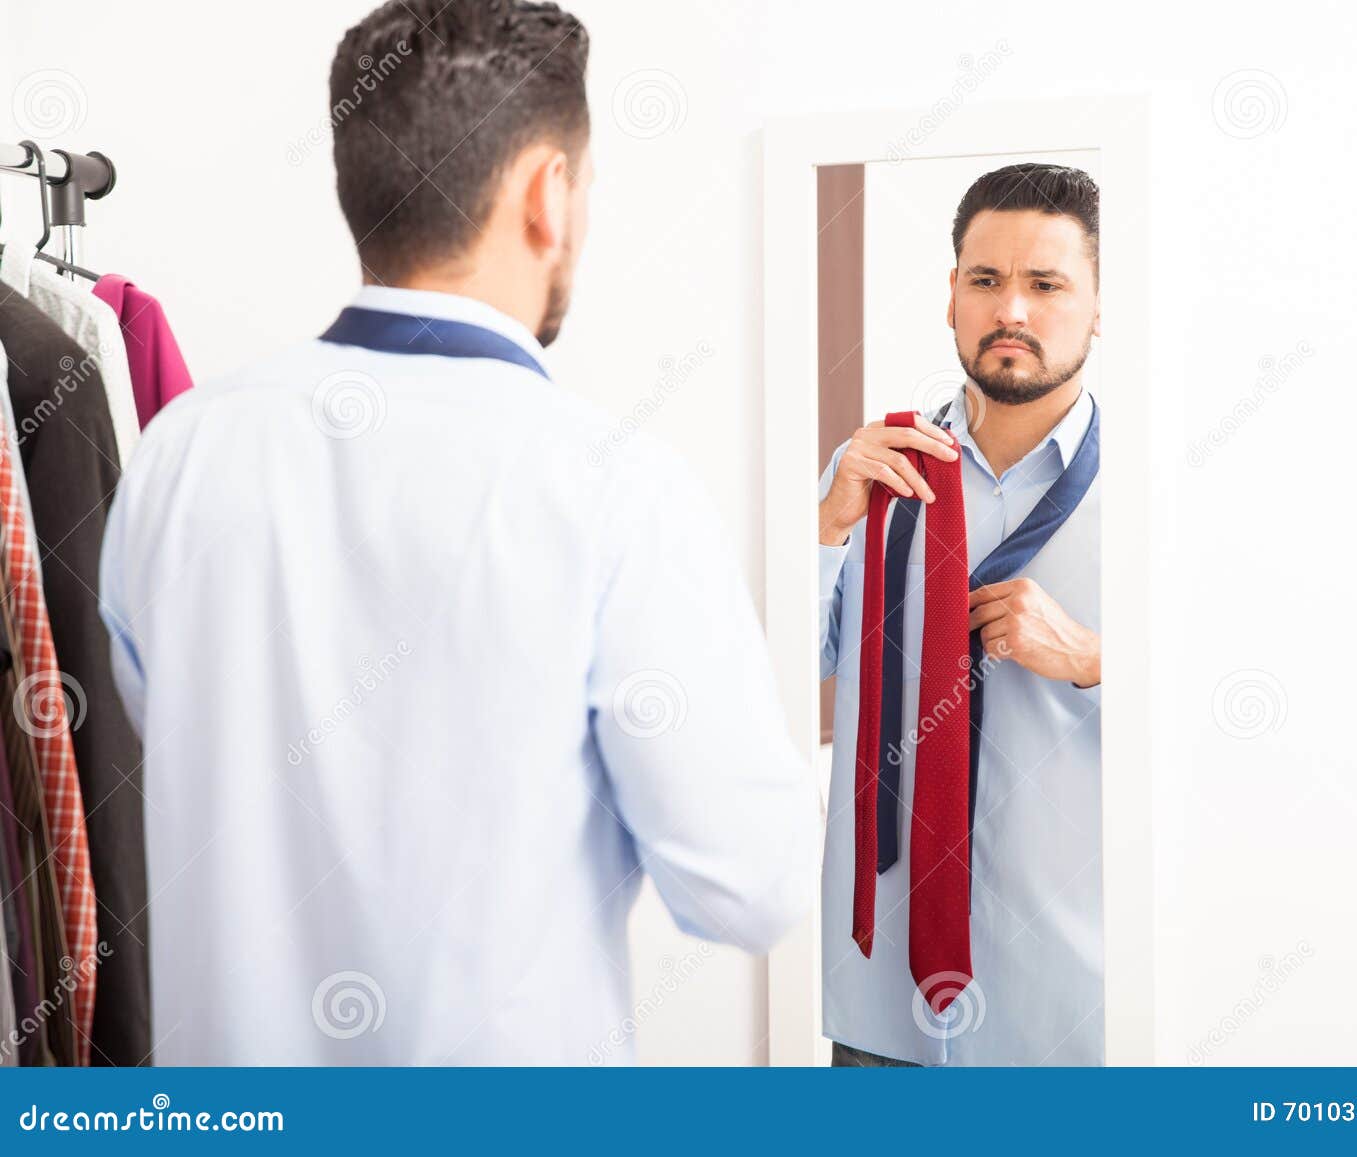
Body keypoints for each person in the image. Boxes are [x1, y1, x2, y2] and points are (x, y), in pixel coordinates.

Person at [98, 0, 819, 1064]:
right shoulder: (614, 486)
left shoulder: (179, 452)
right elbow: (749, 888)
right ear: (550, 194)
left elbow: (190, 744)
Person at [817, 163, 1103, 1066]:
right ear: (951, 297)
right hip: (880, 1006)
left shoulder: (1156, 504)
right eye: (986, 280)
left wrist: (1095, 658)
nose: (1010, 309)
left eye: (1046, 284)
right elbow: (774, 670)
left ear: (1098, 305)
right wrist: (826, 526)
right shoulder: (873, 473)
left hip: (1070, 1004)